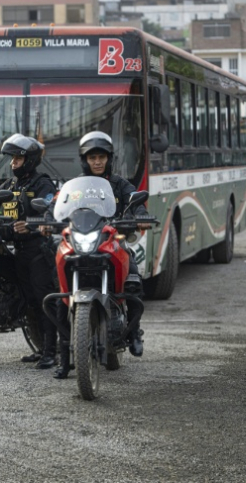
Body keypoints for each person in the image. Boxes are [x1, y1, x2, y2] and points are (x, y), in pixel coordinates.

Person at [45, 131, 151, 379]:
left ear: (109, 158)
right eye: (92, 157)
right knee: (61, 292)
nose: (97, 162)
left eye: (101, 157)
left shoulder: (120, 185)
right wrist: (46, 220)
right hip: (79, 242)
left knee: (133, 276)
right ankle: (64, 357)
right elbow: (55, 207)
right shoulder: (74, 187)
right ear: (85, 160)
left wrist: (141, 216)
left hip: (109, 241)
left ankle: (134, 333)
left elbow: (137, 205)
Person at [0, 134, 59, 369]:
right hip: (17, 250)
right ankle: (41, 349)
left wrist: (32, 224)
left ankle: (53, 352)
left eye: (18, 158)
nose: (13, 163)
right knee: (28, 301)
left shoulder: (42, 183)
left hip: (38, 250)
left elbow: (51, 210)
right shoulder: (13, 185)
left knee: (43, 300)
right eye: (12, 158)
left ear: (29, 160)